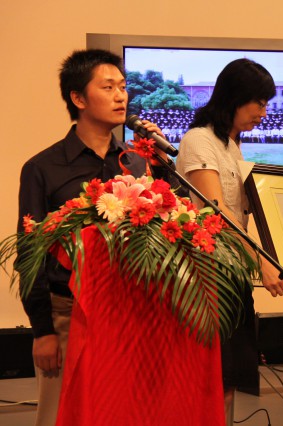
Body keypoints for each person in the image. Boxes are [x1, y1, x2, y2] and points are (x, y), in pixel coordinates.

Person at [17, 49, 180, 426]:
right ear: (78, 98)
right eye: (108, 88)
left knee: (126, 413)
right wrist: (42, 331)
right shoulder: (43, 167)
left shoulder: (136, 161)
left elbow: (172, 217)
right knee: (61, 415)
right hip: (68, 314)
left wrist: (161, 164)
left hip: (132, 313)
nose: (121, 96)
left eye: (123, 87)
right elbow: (29, 251)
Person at [175, 58, 283, 426]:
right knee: (210, 378)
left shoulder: (230, 145)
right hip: (207, 276)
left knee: (229, 377)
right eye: (259, 102)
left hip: (231, 272)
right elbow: (216, 211)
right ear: (235, 97)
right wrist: (262, 261)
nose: (264, 112)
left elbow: (241, 211)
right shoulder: (199, 140)